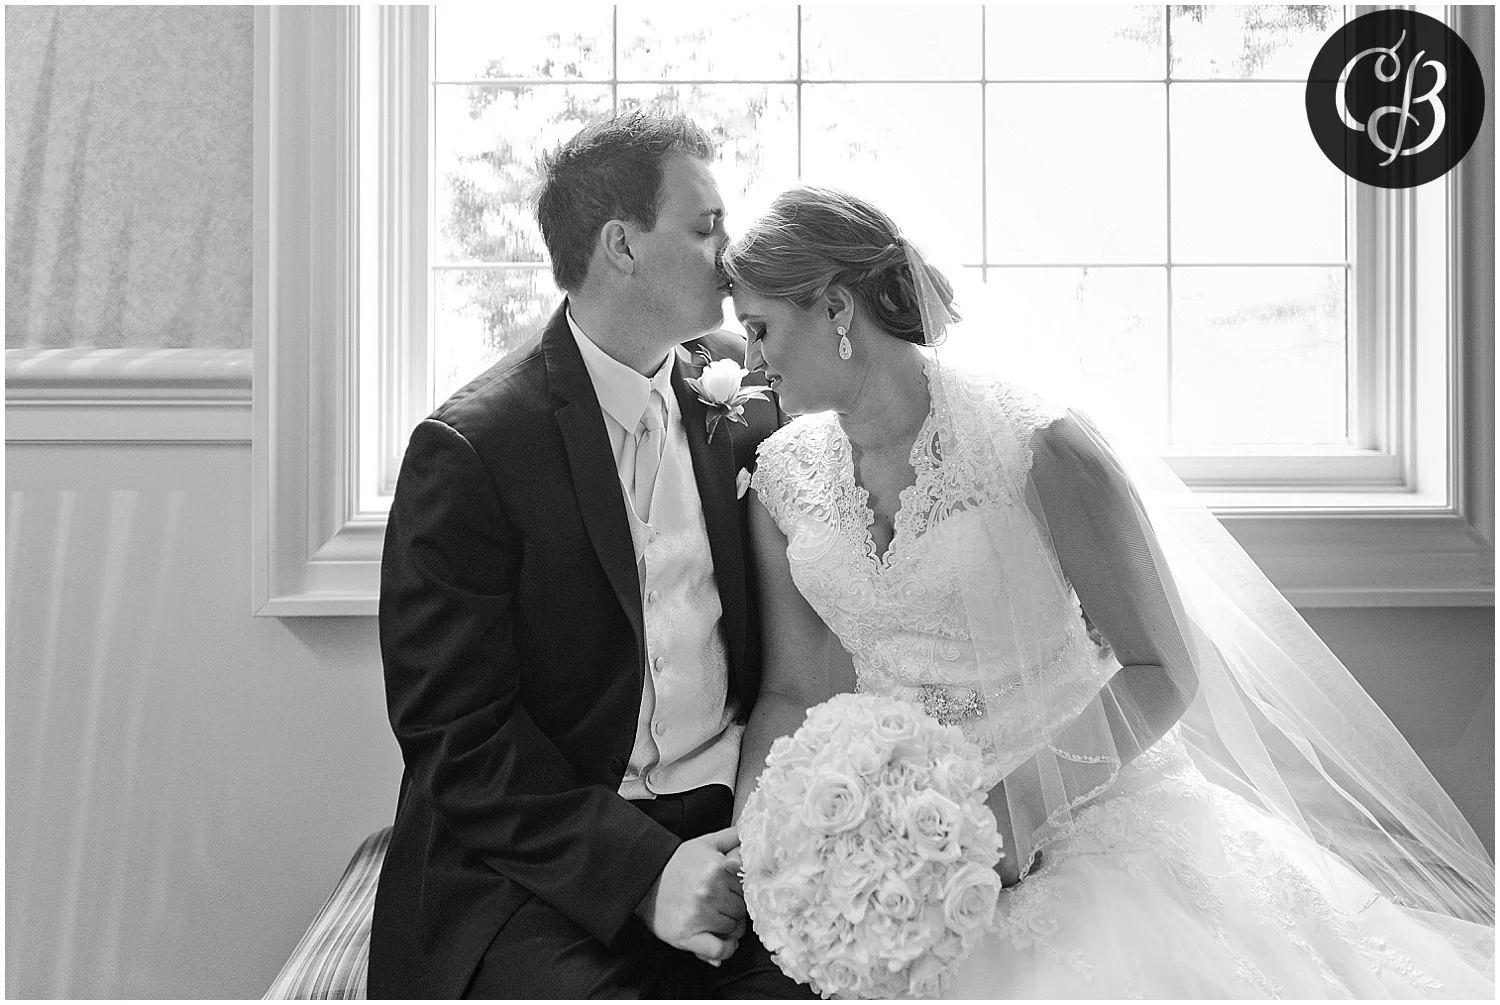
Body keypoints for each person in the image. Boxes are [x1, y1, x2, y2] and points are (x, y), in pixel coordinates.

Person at [724, 185, 1496, 998]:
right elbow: (792, 690)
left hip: (1086, 823)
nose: (752, 360)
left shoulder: (1037, 444)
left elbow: (1163, 669)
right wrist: (763, 841)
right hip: (894, 863)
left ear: (836, 309)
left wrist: (1009, 814)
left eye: (761, 328)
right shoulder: (784, 476)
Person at [369, 111, 812, 999]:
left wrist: (761, 828)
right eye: (706, 226)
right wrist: (644, 873)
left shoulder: (749, 383)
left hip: (737, 819)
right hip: (543, 863)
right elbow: (456, 735)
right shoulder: (472, 449)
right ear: (622, 245)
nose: (731, 255)